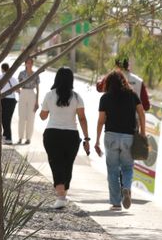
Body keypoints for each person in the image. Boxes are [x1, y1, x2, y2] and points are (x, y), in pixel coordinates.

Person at [38, 67, 91, 210]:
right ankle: (62, 196)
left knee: (56, 163)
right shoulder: (77, 97)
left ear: (57, 78)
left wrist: (45, 110)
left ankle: (61, 197)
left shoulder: (49, 95)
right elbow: (82, 118)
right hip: (71, 135)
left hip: (52, 134)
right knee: (67, 165)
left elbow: (43, 117)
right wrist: (87, 138)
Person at [94, 69, 147, 211]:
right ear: (124, 81)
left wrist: (97, 140)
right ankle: (126, 188)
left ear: (108, 83)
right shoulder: (132, 95)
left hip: (110, 136)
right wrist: (143, 132)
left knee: (112, 170)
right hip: (128, 137)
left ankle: (116, 202)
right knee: (127, 167)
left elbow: (101, 121)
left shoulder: (105, 98)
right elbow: (141, 113)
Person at [15, 56, 39, 145]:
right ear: (25, 64)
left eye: (30, 63)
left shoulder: (35, 74)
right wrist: (19, 92)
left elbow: (38, 88)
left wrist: (37, 101)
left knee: (31, 117)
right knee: (21, 117)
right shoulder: (21, 73)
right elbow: (18, 85)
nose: (29, 64)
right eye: (27, 63)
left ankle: (28, 138)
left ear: (32, 64)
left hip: (32, 94)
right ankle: (20, 137)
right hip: (23, 93)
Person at [0, 62, 19, 143]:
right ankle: (6, 136)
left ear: (2, 69)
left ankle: (8, 138)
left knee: (3, 119)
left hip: (3, 100)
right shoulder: (13, 78)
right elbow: (18, 90)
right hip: (12, 101)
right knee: (8, 119)